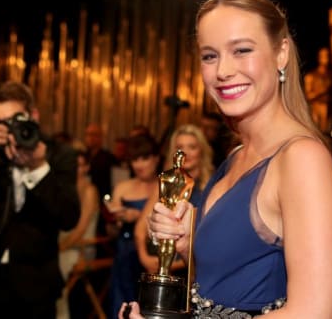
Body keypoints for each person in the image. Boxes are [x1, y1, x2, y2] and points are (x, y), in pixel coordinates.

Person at [121, 0, 332, 318]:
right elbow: (219, 287)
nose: (223, 70)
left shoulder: (302, 158)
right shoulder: (236, 157)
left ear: (281, 53)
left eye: (241, 50)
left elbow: (314, 312)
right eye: (210, 56)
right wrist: (185, 244)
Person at [0, 80, 80, 318]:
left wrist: (38, 167)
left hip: (36, 288)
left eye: (15, 120)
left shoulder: (59, 154)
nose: (8, 130)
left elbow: (69, 217)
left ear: (33, 116)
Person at [134, 123, 215, 275]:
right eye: (180, 147)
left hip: (193, 270)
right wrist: (144, 257)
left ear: (202, 151)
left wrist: (175, 264)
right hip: (157, 264)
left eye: (192, 147)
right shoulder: (166, 182)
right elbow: (141, 227)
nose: (186, 152)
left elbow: (211, 241)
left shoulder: (213, 187)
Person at [107, 132, 161, 317]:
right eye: (134, 159)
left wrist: (138, 216)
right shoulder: (122, 187)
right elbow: (111, 232)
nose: (139, 164)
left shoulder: (164, 186)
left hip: (149, 256)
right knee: (121, 305)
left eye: (144, 158)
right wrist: (116, 220)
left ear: (156, 158)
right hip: (123, 255)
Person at [57, 142, 100, 319]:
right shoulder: (65, 187)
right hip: (64, 242)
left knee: (54, 268)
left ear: (88, 167)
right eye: (75, 164)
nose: (78, 169)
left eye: (82, 165)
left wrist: (59, 247)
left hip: (82, 247)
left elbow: (81, 229)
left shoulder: (90, 190)